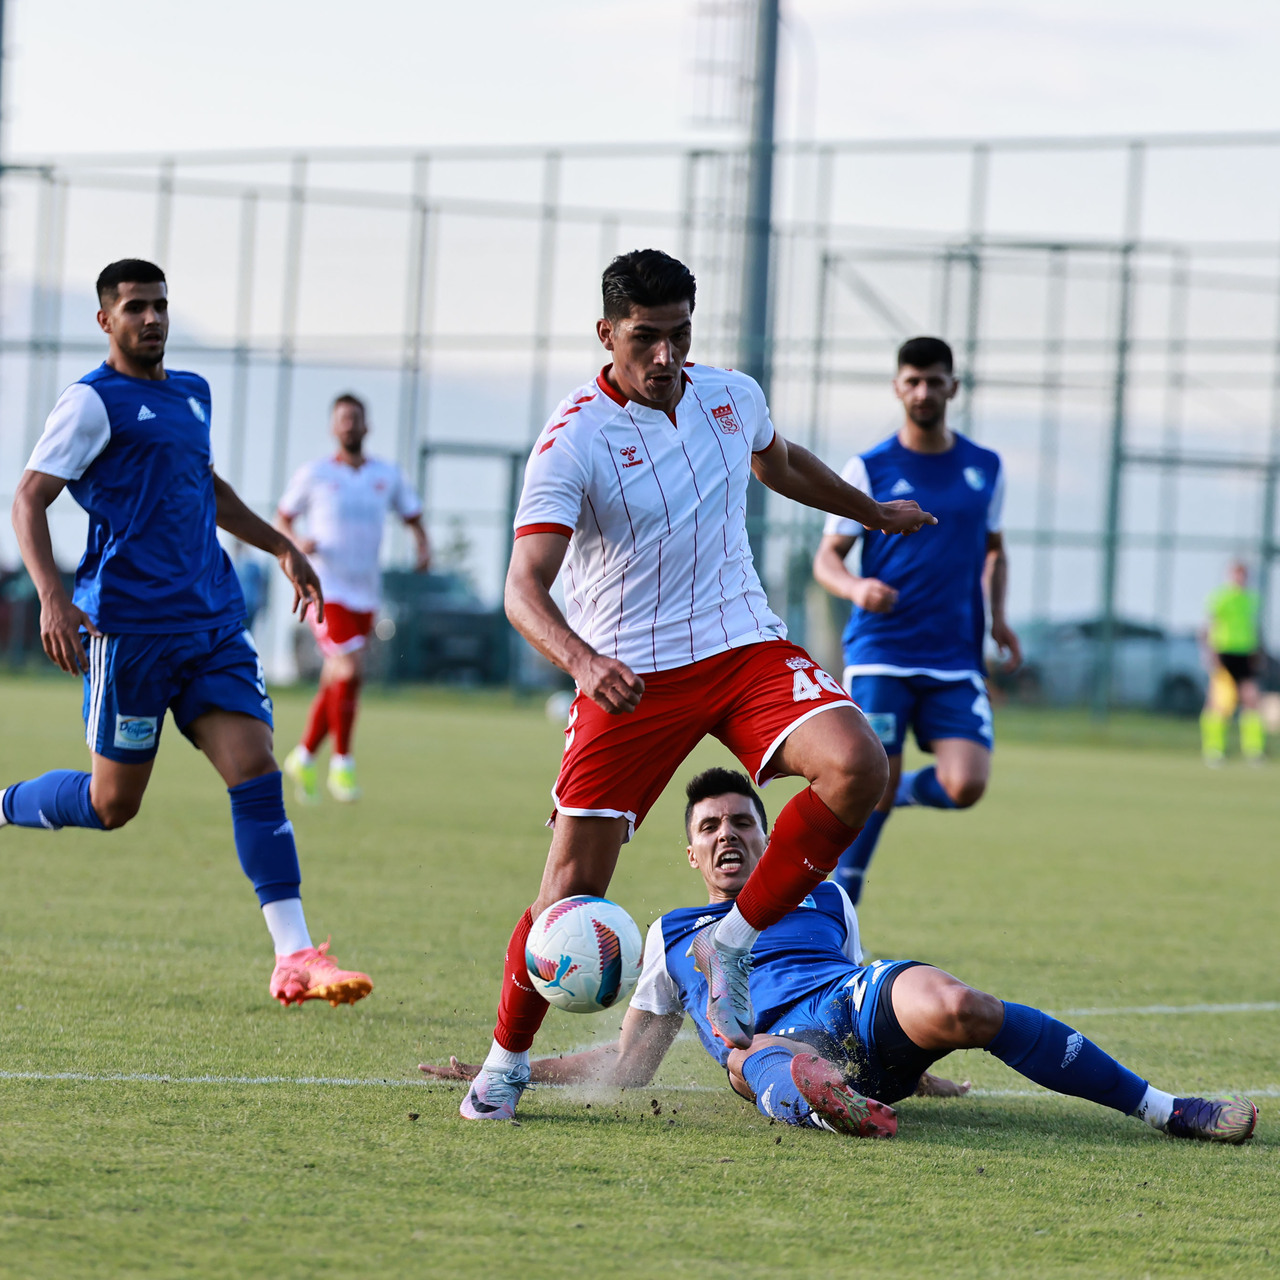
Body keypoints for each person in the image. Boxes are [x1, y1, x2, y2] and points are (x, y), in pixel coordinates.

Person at [458, 248, 938, 1121]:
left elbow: (779, 461)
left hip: (742, 644)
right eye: (645, 338)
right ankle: (504, 1062)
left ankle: (734, 942)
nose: (666, 355)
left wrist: (868, 514)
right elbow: (520, 589)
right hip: (629, 676)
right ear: (606, 334)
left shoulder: (730, 395)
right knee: (567, 888)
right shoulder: (575, 440)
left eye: (680, 334)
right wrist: (582, 663)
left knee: (860, 766)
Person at [423, 768, 1258, 1146]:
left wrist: (927, 1063)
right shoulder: (672, 935)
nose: (727, 838)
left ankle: (1164, 1109)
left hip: (851, 1002)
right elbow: (631, 1066)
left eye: (741, 824)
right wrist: (520, 1064)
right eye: (709, 829)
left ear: (764, 834)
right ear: (689, 855)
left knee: (963, 1007)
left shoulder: (822, 893)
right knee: (750, 1054)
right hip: (777, 1042)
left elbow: (867, 975)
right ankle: (817, 1096)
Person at [2, 259, 372, 1010]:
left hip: (210, 624)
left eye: (160, 305)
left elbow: (204, 487)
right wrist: (50, 597)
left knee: (256, 771)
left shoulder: (193, 394)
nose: (151, 319)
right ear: (106, 321)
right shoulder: (90, 404)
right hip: (129, 636)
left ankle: (294, 954)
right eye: (135, 307)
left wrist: (278, 544)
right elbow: (30, 499)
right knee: (113, 806)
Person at [812, 336, 1021, 905]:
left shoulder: (985, 468)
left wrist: (999, 619)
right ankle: (840, 912)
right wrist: (858, 586)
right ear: (897, 387)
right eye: (913, 380)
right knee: (865, 785)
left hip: (954, 655)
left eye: (934, 380)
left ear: (953, 386)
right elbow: (827, 558)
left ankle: (897, 789)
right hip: (883, 651)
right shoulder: (871, 467)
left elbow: (994, 550)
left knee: (966, 784)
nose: (923, 391)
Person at [276, 394, 429, 802]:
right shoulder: (316, 473)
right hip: (325, 589)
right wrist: (294, 543)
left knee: (337, 678)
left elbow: (412, 514)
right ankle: (342, 764)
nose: (349, 425)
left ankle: (304, 756)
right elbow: (283, 517)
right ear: (332, 427)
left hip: (365, 592)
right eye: (342, 419)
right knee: (350, 668)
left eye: (355, 419)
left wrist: (422, 546)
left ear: (367, 426)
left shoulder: (386, 474)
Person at [1200, 560, 1265, 766]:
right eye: (1237, 575)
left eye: (1244, 575)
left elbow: (1254, 629)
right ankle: (1214, 749)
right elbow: (1208, 626)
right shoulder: (1221, 598)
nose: (1240, 579)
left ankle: (1253, 751)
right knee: (1221, 703)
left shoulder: (1251, 600)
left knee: (1251, 700)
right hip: (1224, 653)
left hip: (1245, 654)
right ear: (1230, 576)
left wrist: (1258, 652)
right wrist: (1210, 653)